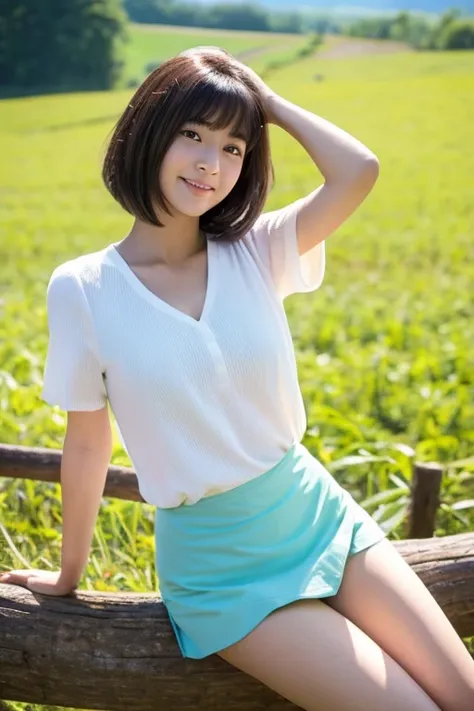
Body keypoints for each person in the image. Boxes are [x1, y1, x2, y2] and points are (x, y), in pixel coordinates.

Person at [1, 47, 473, 711]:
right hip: (223, 569)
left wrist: (266, 103)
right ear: (148, 132)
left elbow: (358, 171)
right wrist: (68, 571)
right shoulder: (84, 288)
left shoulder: (255, 247)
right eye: (191, 135)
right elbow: (87, 442)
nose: (209, 164)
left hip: (315, 511)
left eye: (232, 147)